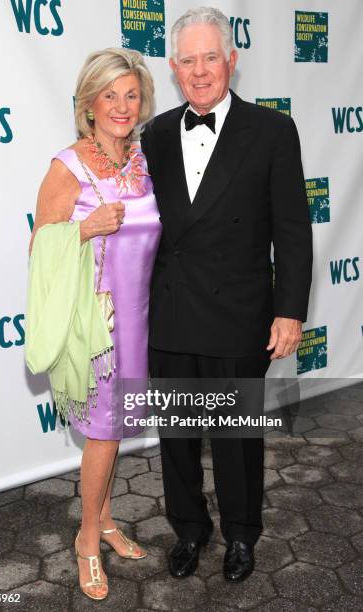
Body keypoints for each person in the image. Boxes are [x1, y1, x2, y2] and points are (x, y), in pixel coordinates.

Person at [141, 7, 313, 582]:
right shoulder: (156, 134)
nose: (199, 70)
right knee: (178, 435)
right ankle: (189, 529)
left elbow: (291, 227)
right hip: (171, 311)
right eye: (187, 60)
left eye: (209, 56)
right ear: (173, 69)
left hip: (239, 313)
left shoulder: (271, 130)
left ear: (231, 60)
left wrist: (289, 310)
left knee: (238, 438)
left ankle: (242, 534)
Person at [29, 48, 161, 601]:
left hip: (142, 320)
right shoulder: (68, 165)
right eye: (110, 95)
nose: (122, 106)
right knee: (104, 433)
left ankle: (106, 520)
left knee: (114, 431)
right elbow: (40, 245)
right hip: (98, 327)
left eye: (131, 95)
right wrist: (85, 229)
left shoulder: (143, 159)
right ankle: (86, 539)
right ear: (88, 104)